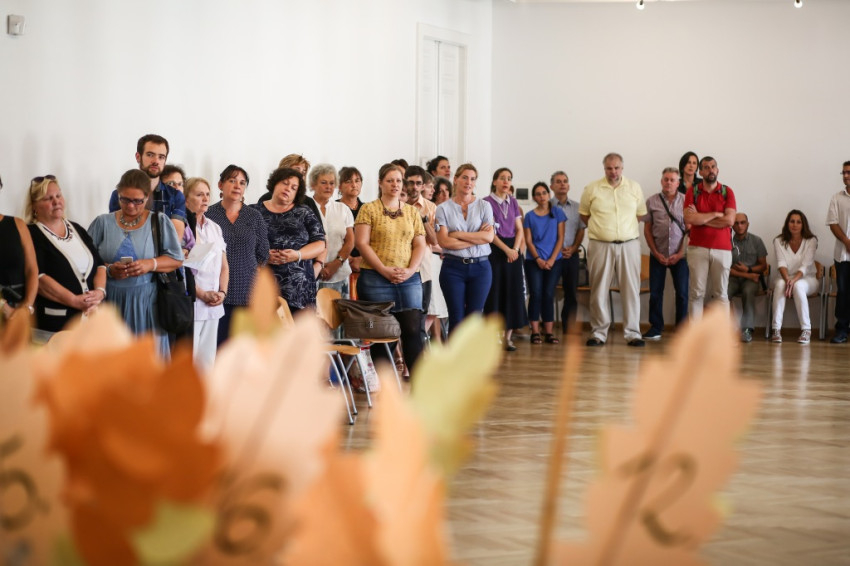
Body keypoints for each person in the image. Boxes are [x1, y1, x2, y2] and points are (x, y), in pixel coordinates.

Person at [89, 170, 183, 357]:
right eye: (125, 200)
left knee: (146, 361)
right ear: (118, 195)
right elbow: (87, 261)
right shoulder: (102, 223)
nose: (131, 206)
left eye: (138, 201)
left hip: (146, 304)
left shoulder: (159, 221)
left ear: (147, 197)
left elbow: (176, 259)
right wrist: (109, 270)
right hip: (110, 302)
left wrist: (150, 264)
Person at [354, 163, 427, 373]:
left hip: (408, 277)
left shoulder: (412, 212)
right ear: (380, 183)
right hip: (375, 278)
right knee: (383, 334)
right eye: (390, 180)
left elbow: (420, 244)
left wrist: (411, 270)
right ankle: (386, 385)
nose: (395, 184)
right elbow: (362, 243)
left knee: (413, 329)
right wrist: (384, 270)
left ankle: (419, 385)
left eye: (398, 181)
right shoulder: (368, 209)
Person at [26, 175, 106, 341]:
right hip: (54, 328)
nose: (56, 202)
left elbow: (100, 265)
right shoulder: (30, 234)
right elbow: (38, 278)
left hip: (90, 324)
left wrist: (100, 292)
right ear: (34, 206)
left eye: (58, 195)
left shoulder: (77, 229)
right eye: (48, 198)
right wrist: (75, 301)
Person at [579, 153, 647, 347]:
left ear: (622, 168)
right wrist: (603, 230)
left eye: (616, 168)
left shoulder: (634, 187)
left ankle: (633, 333)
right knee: (599, 289)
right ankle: (599, 333)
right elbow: (584, 215)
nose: (613, 172)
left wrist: (623, 231)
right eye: (609, 168)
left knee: (631, 289)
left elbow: (640, 214)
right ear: (604, 169)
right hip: (600, 245)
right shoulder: (592, 189)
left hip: (629, 245)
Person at [206, 165, 269, 345]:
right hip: (216, 290)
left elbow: (263, 253)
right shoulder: (209, 214)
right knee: (218, 345)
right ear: (220, 185)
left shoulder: (254, 216)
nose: (237, 186)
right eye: (232, 181)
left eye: (242, 183)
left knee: (244, 346)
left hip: (247, 291)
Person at [251, 168, 325, 313]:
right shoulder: (253, 212)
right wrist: (263, 256)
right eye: (285, 183)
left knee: (300, 327)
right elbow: (242, 245)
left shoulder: (304, 212)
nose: (288, 189)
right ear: (275, 183)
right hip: (263, 284)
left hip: (300, 289)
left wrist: (297, 255)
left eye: (293, 188)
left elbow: (320, 243)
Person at [436, 163, 495, 334]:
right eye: (465, 177)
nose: (469, 182)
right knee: (456, 317)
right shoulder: (443, 208)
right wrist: (477, 238)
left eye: (473, 179)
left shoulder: (484, 206)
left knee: (474, 319)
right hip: (453, 268)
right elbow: (444, 242)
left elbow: (489, 237)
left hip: (481, 267)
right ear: (455, 179)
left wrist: (457, 234)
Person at [183, 177, 228, 371]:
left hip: (214, 304)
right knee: (189, 361)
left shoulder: (215, 227)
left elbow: (224, 266)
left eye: (207, 194)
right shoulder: (182, 227)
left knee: (208, 362)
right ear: (186, 199)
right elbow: (183, 269)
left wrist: (222, 292)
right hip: (193, 303)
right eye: (199, 194)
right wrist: (201, 294)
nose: (205, 199)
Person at [683, 156, 737, 320]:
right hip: (697, 248)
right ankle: (696, 334)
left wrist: (701, 218)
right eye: (706, 167)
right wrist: (715, 214)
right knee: (696, 293)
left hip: (723, 249)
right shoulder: (693, 191)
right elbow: (689, 219)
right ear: (700, 172)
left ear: (717, 170)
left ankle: (721, 334)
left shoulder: (727, 192)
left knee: (721, 294)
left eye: (713, 167)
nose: (710, 170)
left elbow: (729, 221)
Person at [108, 134, 187, 240]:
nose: (156, 161)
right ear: (138, 157)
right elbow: (118, 235)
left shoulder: (176, 196)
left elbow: (175, 238)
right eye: (150, 155)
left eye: (161, 157)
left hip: (164, 251)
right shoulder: (119, 195)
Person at [642, 167, 689, 341]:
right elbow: (647, 230)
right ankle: (655, 328)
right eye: (666, 179)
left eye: (672, 180)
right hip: (658, 255)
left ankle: (682, 330)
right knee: (655, 293)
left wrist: (680, 253)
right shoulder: (651, 201)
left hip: (680, 256)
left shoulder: (686, 201)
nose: (669, 182)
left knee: (682, 293)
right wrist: (655, 252)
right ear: (661, 181)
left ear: (678, 183)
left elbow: (689, 231)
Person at [483, 167, 527, 351]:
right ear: (495, 181)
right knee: (495, 293)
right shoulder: (486, 202)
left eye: (509, 178)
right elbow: (490, 233)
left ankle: (508, 337)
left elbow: (519, 229)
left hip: (513, 251)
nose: (506, 181)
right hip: (495, 249)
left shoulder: (513, 202)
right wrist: (507, 250)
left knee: (512, 292)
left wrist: (515, 249)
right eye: (502, 178)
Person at [524, 182, 565, 345]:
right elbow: (528, 241)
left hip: (555, 261)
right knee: (536, 294)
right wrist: (538, 259)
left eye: (544, 193)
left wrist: (552, 259)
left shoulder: (558, 213)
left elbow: (561, 238)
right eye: (538, 194)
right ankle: (535, 331)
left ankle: (548, 332)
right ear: (534, 197)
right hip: (534, 261)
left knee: (548, 294)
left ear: (549, 194)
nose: (542, 196)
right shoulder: (529, 216)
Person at [770, 210, 818, 345]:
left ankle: (806, 330)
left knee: (798, 285)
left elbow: (805, 266)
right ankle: (776, 329)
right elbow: (781, 263)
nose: (795, 225)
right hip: (785, 277)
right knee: (780, 284)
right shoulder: (778, 240)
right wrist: (788, 280)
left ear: (803, 225)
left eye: (798, 222)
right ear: (787, 223)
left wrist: (793, 281)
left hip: (808, 278)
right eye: (792, 221)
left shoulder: (811, 240)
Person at [310, 164, 354, 297]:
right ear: (313, 184)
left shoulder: (343, 209)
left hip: (340, 274)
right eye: (323, 183)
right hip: (312, 274)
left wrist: (336, 264)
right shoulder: (305, 208)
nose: (328, 187)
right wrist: (319, 265)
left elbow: (350, 241)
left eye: (332, 183)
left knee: (340, 310)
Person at [550, 170, 586, 330]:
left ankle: (568, 327)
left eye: (565, 181)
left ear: (569, 186)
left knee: (571, 293)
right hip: (551, 256)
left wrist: (573, 249)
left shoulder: (578, 207)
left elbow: (581, 230)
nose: (562, 184)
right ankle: (546, 326)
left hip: (571, 255)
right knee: (547, 292)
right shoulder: (546, 206)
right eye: (558, 181)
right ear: (551, 186)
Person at [0, 173, 38, 321]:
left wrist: (27, 306)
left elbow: (32, 269)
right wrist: (4, 308)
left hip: (20, 310)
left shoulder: (18, 224)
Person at [405, 165, 438, 322]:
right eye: (411, 182)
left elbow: (434, 240)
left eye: (418, 183)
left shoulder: (430, 207)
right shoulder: (397, 205)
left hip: (423, 268)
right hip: (400, 266)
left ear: (423, 186)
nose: (414, 187)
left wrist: (422, 219)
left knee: (421, 314)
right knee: (401, 315)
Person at [728, 213, 768, 343]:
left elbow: (763, 266)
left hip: (752, 280)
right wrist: (746, 273)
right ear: (732, 225)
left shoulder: (757, 241)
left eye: (742, 222)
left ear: (748, 224)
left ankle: (746, 329)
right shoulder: (727, 242)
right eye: (736, 223)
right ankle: (729, 329)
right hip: (733, 278)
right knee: (722, 293)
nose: (740, 226)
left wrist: (749, 270)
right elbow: (726, 269)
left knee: (748, 291)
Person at [826, 161, 850, 344]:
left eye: (849, 172)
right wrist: (847, 242)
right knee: (843, 293)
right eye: (844, 173)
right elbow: (833, 223)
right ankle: (841, 330)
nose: (846, 176)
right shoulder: (836, 198)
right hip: (842, 255)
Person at [337, 166, 365, 290]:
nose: (354, 185)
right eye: (348, 181)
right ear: (339, 186)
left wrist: (362, 259)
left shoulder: (368, 209)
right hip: (338, 264)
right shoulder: (332, 208)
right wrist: (347, 259)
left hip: (365, 265)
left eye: (357, 181)